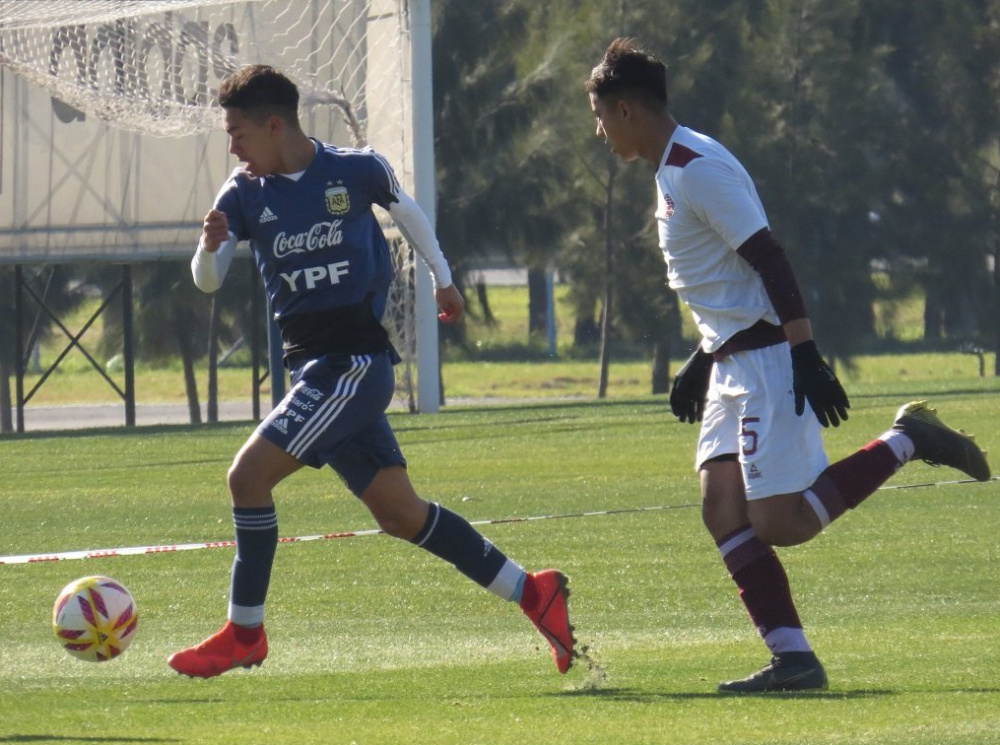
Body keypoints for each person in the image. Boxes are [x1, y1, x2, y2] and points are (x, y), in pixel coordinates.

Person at [585, 38, 991, 693]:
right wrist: (702, 357)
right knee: (721, 506)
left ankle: (909, 439)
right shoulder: (673, 166)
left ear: (626, 110)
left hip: (767, 360)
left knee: (780, 522)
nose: (599, 131)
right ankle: (794, 659)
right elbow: (728, 278)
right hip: (731, 360)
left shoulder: (695, 168)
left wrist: (804, 353)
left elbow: (769, 257)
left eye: (601, 117)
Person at [168, 64, 576, 678]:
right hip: (315, 372)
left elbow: (407, 212)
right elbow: (208, 280)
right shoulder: (242, 193)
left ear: (274, 125)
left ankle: (245, 633)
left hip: (352, 365)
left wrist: (444, 279)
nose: (233, 149)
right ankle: (533, 592)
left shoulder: (355, 170)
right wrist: (208, 246)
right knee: (400, 514)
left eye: (238, 134)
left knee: (247, 478)